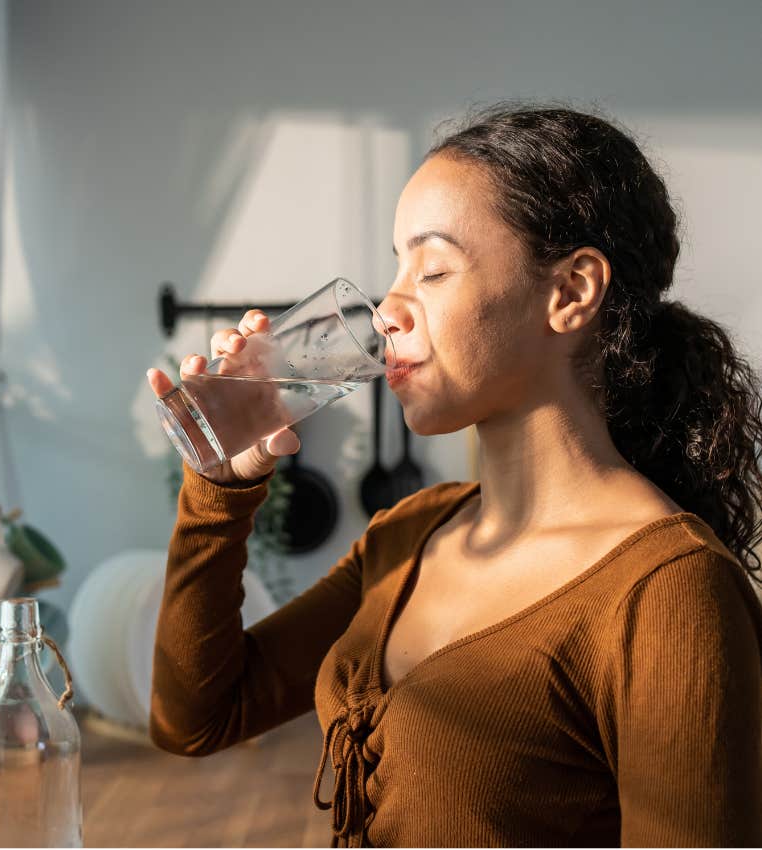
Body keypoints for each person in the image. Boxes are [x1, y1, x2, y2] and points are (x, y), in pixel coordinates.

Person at [145, 101, 762, 847]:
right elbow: (196, 717)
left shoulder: (668, 591)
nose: (385, 311)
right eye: (396, 267)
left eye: (433, 268)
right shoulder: (410, 533)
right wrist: (221, 487)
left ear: (570, 293)